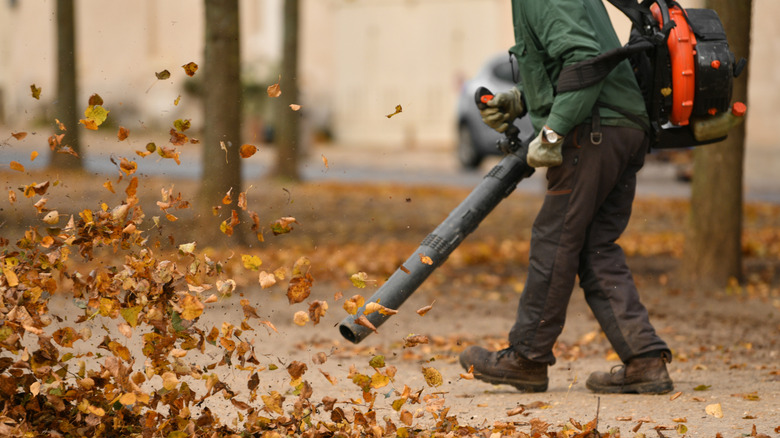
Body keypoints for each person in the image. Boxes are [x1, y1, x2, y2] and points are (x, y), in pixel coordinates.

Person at [458, 0, 674, 394]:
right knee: (596, 248)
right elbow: (576, 62)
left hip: (592, 130)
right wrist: (521, 98)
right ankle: (645, 360)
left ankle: (527, 357)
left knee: (555, 242)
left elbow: (585, 57)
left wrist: (554, 130)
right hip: (624, 127)